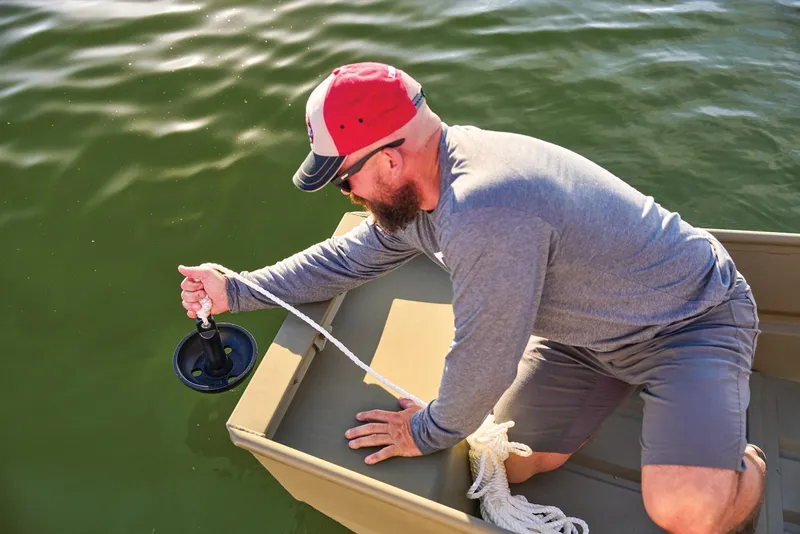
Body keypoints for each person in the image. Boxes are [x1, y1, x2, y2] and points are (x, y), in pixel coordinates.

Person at [178, 62, 766, 533]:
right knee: (508, 464)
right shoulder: (422, 185)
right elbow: (348, 259)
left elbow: (484, 356)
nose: (349, 194)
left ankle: (744, 463)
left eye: (344, 178)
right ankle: (647, 405)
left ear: (387, 158)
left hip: (690, 321)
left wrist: (425, 431)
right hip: (583, 339)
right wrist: (237, 289)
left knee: (685, 512)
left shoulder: (486, 211)